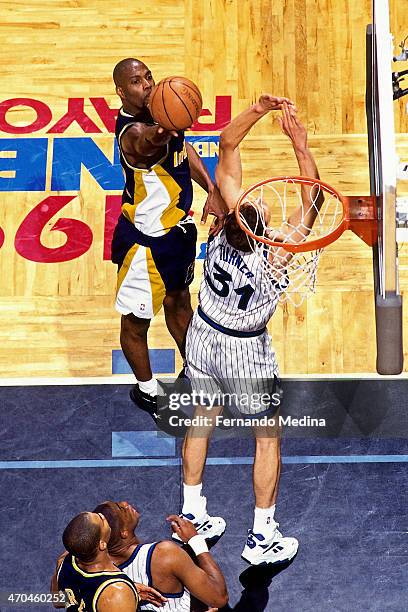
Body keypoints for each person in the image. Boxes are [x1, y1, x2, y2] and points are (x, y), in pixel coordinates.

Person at [177, 97, 324, 565]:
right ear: (259, 227)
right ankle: (262, 536)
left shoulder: (219, 226)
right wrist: (299, 145)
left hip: (203, 331)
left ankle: (192, 515)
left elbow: (227, 141)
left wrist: (259, 108)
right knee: (267, 438)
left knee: (202, 417)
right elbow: (313, 198)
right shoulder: (274, 255)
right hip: (245, 350)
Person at [111, 58, 226, 422]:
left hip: (177, 233)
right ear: (120, 91)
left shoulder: (162, 112)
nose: (146, 85)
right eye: (136, 81)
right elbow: (146, 145)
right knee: (135, 323)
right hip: (146, 244)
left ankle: (196, 373)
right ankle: (147, 390)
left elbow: (184, 152)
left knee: (179, 303)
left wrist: (212, 187)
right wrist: (164, 126)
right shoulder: (131, 132)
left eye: (148, 77)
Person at [93, 499, 228, 612]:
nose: (124, 503)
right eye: (121, 509)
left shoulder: (88, 567)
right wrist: (195, 540)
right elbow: (219, 598)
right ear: (124, 533)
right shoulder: (164, 554)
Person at [50, 511, 139, 611]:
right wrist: (124, 596)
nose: (102, 515)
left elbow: (57, 601)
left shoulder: (64, 561)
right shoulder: (116, 593)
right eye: (101, 519)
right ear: (102, 544)